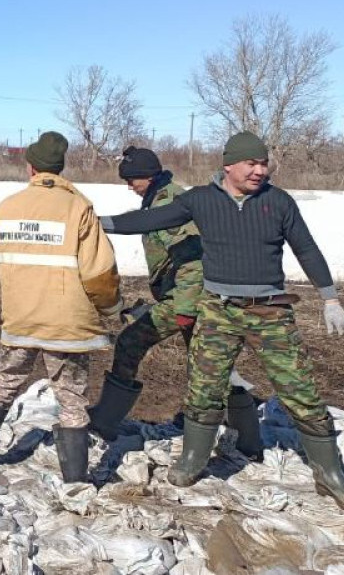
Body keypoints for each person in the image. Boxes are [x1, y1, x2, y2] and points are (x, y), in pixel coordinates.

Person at [100, 131, 344, 512]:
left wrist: (330, 297)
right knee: (204, 387)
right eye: (251, 164)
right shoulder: (201, 200)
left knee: (300, 391)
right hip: (218, 310)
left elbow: (305, 247)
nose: (259, 171)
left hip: (271, 311)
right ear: (229, 165)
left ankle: (330, 474)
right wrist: (93, 222)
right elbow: (148, 220)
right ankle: (193, 460)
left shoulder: (278, 202)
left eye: (263, 163)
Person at [0, 132, 124, 482]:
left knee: (3, 383)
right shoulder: (78, 206)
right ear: (61, 168)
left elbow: (7, 264)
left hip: (21, 318)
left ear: (30, 167)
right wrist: (112, 310)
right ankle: (76, 483)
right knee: (71, 400)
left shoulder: (7, 206)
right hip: (66, 326)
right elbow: (99, 271)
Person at [87, 148, 264, 459]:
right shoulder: (161, 196)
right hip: (193, 298)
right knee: (212, 365)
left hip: (191, 298)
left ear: (149, 176)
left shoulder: (170, 201)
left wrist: (182, 309)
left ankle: (104, 421)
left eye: (132, 180)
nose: (130, 186)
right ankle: (249, 441)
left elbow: (195, 259)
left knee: (130, 341)